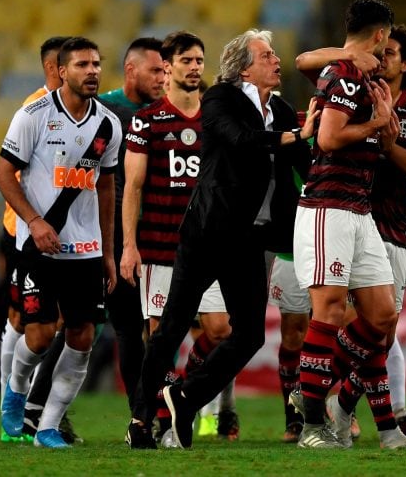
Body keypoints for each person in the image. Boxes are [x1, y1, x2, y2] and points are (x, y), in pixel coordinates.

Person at [126, 29, 311, 450]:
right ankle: (140, 419)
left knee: (249, 336)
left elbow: (304, 161)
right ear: (245, 67)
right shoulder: (220, 99)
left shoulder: (281, 110)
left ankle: (186, 397)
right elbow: (242, 141)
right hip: (207, 231)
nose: (277, 61)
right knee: (172, 326)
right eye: (267, 56)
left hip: (248, 238)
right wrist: (298, 134)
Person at [295, 24, 406, 444]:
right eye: (382, 48)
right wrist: (350, 54)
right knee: (335, 313)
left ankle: (324, 398)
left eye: (393, 53)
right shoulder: (351, 78)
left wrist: (389, 141)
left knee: (383, 326)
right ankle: (371, 424)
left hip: (387, 225)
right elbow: (304, 63)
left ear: (405, 64)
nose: (384, 57)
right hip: (341, 211)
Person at [0, 37, 122, 449]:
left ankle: (48, 426)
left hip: (85, 249)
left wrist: (107, 250)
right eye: (83, 64)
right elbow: (3, 174)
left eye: (97, 63)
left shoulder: (108, 124)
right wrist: (33, 222)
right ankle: (15, 390)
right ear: (61, 71)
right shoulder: (32, 115)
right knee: (38, 336)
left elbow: (106, 187)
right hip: (39, 246)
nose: (92, 71)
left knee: (82, 337)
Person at [120, 31, 240, 446]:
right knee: (160, 335)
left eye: (198, 60)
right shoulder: (147, 120)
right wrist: (129, 246)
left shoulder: (216, 117)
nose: (194, 67)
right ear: (167, 67)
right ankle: (158, 420)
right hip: (160, 245)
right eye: (186, 60)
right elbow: (133, 187)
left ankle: (180, 396)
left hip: (210, 244)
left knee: (221, 330)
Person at [0, 35, 72, 443]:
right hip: (24, 230)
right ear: (53, 68)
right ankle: (11, 402)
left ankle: (35, 407)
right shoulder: (33, 109)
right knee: (23, 321)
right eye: (74, 65)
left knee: (60, 324)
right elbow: (11, 172)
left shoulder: (87, 113)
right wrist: (30, 223)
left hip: (69, 237)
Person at [98, 38, 165, 414]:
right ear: (130, 69)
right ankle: (140, 410)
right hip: (116, 232)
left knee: (158, 326)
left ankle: (159, 407)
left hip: (162, 230)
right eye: (154, 70)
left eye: (163, 71)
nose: (161, 77)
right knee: (122, 326)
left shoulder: (168, 111)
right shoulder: (104, 110)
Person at [267, 98, 319, 443]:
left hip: (334, 240)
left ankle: (334, 408)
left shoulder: (353, 132)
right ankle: (294, 416)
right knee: (294, 333)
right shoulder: (293, 131)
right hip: (290, 248)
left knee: (336, 328)